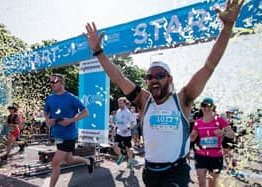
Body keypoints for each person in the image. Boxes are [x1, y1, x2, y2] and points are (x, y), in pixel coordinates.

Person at [84, 0, 244, 185]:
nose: (153, 79)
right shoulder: (144, 100)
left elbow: (209, 66)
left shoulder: (183, 99)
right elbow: (119, 78)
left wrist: (227, 27)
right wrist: (98, 51)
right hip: (150, 172)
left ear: (170, 79)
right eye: (149, 76)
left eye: (160, 75)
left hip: (176, 172)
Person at [43, 73, 94, 187]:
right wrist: (48, 120)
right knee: (69, 159)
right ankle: (87, 161)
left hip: (69, 135)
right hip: (57, 134)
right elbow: (46, 112)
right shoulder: (50, 98)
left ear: (61, 83)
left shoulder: (71, 98)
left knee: (55, 163)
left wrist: (71, 120)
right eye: (50, 82)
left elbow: (85, 112)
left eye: (53, 82)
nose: (51, 84)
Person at [190, 98, 235, 187]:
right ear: (201, 107)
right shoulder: (198, 122)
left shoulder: (219, 120)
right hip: (200, 155)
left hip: (216, 156)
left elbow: (232, 134)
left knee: (212, 184)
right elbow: (192, 137)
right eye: (203, 105)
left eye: (209, 105)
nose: (206, 108)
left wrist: (224, 133)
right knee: (202, 183)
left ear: (213, 107)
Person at [113, 97, 136, 169]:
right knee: (114, 146)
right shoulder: (118, 111)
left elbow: (134, 123)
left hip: (126, 134)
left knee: (127, 149)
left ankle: (130, 161)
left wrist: (128, 128)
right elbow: (116, 121)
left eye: (121, 103)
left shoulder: (128, 112)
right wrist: (115, 128)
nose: (119, 104)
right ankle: (121, 155)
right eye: (118, 103)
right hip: (119, 132)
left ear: (125, 103)